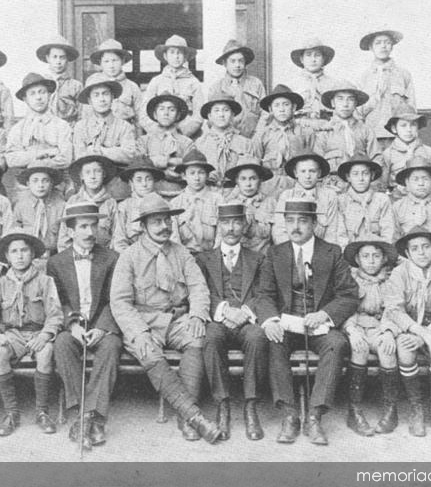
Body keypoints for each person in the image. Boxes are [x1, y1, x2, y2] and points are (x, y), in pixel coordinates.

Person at [110, 193, 221, 443]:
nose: (163, 227)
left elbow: (198, 287)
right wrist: (138, 332)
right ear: (143, 226)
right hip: (144, 321)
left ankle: (186, 417)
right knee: (148, 350)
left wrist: (197, 315)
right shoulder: (129, 256)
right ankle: (194, 416)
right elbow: (120, 302)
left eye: (166, 221)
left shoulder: (181, 253)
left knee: (197, 337)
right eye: (156, 222)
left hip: (176, 319)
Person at [259, 200, 357, 445]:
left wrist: (324, 314)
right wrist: (270, 320)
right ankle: (290, 414)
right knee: (273, 342)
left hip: (319, 324)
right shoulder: (275, 253)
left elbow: (348, 294)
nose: (296, 227)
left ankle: (314, 415)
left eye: (302, 221)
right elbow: (264, 294)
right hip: (287, 323)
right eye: (290, 221)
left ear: (314, 223)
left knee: (336, 344)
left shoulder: (332, 252)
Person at [48, 203, 123, 450]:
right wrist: (72, 325)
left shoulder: (112, 258)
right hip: (75, 326)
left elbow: (117, 298)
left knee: (112, 345)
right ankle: (87, 415)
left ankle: (88, 418)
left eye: (93, 225)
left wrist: (102, 327)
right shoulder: (57, 263)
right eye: (83, 226)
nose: (90, 232)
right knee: (61, 344)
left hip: (102, 323)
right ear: (70, 231)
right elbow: (60, 300)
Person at [0, 231, 64, 436]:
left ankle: (42, 411)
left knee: (45, 353)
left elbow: (55, 314)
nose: (20, 256)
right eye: (14, 251)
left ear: (32, 253)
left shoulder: (45, 281)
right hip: (13, 333)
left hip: (38, 332)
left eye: (24, 250)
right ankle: (11, 413)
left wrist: (45, 335)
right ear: (7, 257)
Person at [196, 204, 270, 441]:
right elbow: (200, 292)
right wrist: (224, 310)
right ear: (218, 226)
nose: (231, 228)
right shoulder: (204, 259)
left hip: (247, 319)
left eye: (237, 222)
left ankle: (251, 405)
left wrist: (245, 312)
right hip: (219, 318)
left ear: (245, 226)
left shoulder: (258, 259)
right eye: (226, 223)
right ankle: (223, 404)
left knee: (257, 337)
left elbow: (264, 293)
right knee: (211, 337)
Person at [382, 227, 431, 437]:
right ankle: (416, 408)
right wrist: (419, 333)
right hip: (407, 326)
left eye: (426, 247)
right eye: (414, 248)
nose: (421, 252)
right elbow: (395, 310)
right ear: (407, 254)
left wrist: (430, 333)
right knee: (405, 349)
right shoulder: (399, 273)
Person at [341, 237, 399, 436]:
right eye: (365, 256)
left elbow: (393, 308)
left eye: (376, 256)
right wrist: (351, 328)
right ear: (357, 259)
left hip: (380, 326)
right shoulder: (349, 278)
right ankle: (354, 409)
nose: (371, 261)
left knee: (387, 348)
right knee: (360, 348)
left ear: (384, 259)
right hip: (355, 325)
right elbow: (344, 305)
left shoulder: (390, 279)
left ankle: (390, 408)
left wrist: (389, 331)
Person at [4, 73, 73, 196]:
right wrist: (42, 154)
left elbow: (66, 158)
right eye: (32, 93)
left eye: (42, 92)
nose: (38, 97)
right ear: (25, 99)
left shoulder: (61, 126)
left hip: (56, 184)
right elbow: (11, 159)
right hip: (24, 187)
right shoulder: (18, 129)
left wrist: (30, 160)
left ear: (49, 95)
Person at [314, 81, 381, 193]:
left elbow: (377, 159)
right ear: (333, 103)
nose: (345, 104)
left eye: (350, 99)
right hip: (332, 187)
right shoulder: (324, 132)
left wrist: (372, 185)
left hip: (362, 187)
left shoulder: (366, 130)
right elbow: (317, 164)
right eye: (340, 99)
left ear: (356, 104)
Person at [251, 84, 314, 198]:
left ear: (294, 107)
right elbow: (254, 163)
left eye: (286, 104)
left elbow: (313, 161)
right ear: (270, 109)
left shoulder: (304, 133)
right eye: (277, 105)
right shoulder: (262, 134)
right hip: (268, 186)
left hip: (297, 184)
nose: (281, 109)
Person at [272, 151, 346, 247]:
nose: (307, 176)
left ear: (319, 173)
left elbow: (332, 232)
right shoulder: (287, 196)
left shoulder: (329, 196)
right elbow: (280, 231)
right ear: (296, 173)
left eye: (312, 171)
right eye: (303, 171)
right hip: (292, 251)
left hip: (321, 252)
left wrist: (326, 255)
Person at [140, 35, 205, 138]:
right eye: (172, 52)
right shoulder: (156, 81)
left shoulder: (193, 82)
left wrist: (182, 133)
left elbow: (199, 114)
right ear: (165, 56)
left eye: (180, 53)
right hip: (158, 136)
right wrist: (157, 131)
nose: (176, 56)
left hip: (186, 136)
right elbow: (143, 113)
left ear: (186, 57)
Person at [381, 104, 431, 200]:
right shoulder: (388, 154)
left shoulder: (427, 151)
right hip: (399, 203)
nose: (409, 130)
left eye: (413, 125)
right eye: (403, 125)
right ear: (394, 128)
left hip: (426, 201)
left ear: (418, 127)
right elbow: (382, 186)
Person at [357, 29, 415, 141]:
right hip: (371, 136)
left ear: (392, 47)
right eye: (378, 43)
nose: (383, 46)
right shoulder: (364, 76)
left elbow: (411, 108)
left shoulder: (403, 74)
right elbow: (358, 112)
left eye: (387, 42)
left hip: (397, 137)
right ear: (370, 47)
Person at [136, 94, 195, 198]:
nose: (166, 113)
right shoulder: (144, 141)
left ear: (178, 115)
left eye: (171, 110)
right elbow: (140, 166)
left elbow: (189, 171)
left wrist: (156, 166)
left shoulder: (186, 143)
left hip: (180, 194)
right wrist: (169, 161)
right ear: (155, 114)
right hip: (150, 195)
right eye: (161, 109)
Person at [208, 39, 266, 138]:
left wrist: (258, 135)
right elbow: (211, 119)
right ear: (225, 64)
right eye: (232, 61)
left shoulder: (256, 84)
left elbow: (265, 113)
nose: (237, 65)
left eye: (241, 61)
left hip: (253, 138)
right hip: (226, 139)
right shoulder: (216, 87)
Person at [72, 74, 136, 164]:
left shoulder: (124, 126)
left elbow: (130, 155)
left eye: (105, 94)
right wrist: (115, 151)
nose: (102, 99)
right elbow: (79, 156)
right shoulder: (81, 127)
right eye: (96, 95)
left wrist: (100, 151)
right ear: (90, 101)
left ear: (112, 97)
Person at [58, 155, 118, 251]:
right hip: (77, 256)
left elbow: (116, 235)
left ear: (104, 174)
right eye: (87, 172)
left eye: (97, 171)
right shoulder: (73, 201)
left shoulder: (110, 203)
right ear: (81, 176)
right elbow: (64, 236)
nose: (93, 176)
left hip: (104, 257)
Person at [84, 39, 144, 134]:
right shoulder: (93, 82)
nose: (111, 65)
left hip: (126, 134)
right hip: (99, 132)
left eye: (115, 60)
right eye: (106, 61)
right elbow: (86, 113)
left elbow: (141, 116)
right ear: (100, 63)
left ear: (123, 61)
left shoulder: (132, 87)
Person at [169, 150, 224, 253]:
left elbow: (221, 233)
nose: (197, 177)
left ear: (207, 175)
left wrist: (215, 257)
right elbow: (174, 237)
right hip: (186, 257)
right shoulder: (175, 203)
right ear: (184, 176)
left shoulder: (217, 200)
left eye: (201, 173)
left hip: (211, 256)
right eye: (192, 173)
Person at [194, 95, 255, 187]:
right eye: (216, 110)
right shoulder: (200, 143)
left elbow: (251, 174)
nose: (221, 115)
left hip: (237, 193)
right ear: (210, 116)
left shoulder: (245, 143)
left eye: (226, 110)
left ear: (232, 115)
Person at [224, 156, 276, 255]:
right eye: (243, 179)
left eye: (253, 179)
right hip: (238, 259)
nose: (248, 184)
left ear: (260, 180)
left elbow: (276, 235)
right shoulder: (230, 204)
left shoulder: (270, 203)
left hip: (264, 259)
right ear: (237, 181)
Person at [337, 154, 394, 244]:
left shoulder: (382, 200)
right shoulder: (341, 201)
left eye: (365, 173)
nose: (361, 178)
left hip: (377, 251)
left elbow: (388, 233)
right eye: (355, 174)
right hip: (350, 252)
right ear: (348, 177)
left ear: (372, 175)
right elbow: (340, 235)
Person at [13, 164, 66, 258]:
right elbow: (15, 232)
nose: (40, 185)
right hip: (28, 256)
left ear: (52, 183)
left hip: (55, 255)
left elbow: (65, 237)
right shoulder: (21, 206)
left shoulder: (61, 206)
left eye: (45, 181)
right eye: (35, 181)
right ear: (28, 184)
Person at [112, 158, 164, 252]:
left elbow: (173, 239)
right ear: (131, 183)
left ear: (154, 181)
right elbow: (119, 242)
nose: (144, 184)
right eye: (139, 180)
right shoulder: (124, 207)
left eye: (148, 179)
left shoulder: (165, 206)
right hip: (133, 258)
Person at [287, 37, 340, 129]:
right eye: (308, 55)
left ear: (323, 59)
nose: (313, 59)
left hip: (327, 128)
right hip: (299, 128)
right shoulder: (292, 84)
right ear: (301, 59)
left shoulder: (334, 84)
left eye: (317, 55)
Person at [37, 35, 83, 126]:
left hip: (69, 131)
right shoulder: (40, 83)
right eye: (54, 57)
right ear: (48, 58)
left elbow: (82, 115)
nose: (58, 61)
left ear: (67, 59)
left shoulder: (76, 86)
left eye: (62, 57)